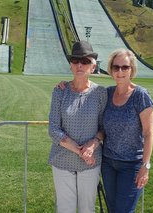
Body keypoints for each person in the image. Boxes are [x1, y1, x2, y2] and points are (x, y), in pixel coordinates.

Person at [48, 40, 107, 213]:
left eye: (85, 61)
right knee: (65, 208)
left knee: (87, 209)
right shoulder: (60, 91)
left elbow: (103, 128)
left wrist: (93, 144)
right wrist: (81, 151)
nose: (80, 65)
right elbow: (53, 129)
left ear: (93, 67)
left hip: (91, 162)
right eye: (75, 61)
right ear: (70, 66)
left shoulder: (100, 93)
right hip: (62, 160)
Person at [101, 48, 153, 213]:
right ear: (111, 69)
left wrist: (145, 166)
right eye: (116, 67)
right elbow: (84, 89)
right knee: (112, 210)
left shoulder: (140, 95)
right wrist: (64, 86)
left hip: (131, 166)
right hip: (108, 163)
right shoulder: (108, 93)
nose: (120, 71)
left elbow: (148, 133)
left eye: (125, 67)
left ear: (132, 69)